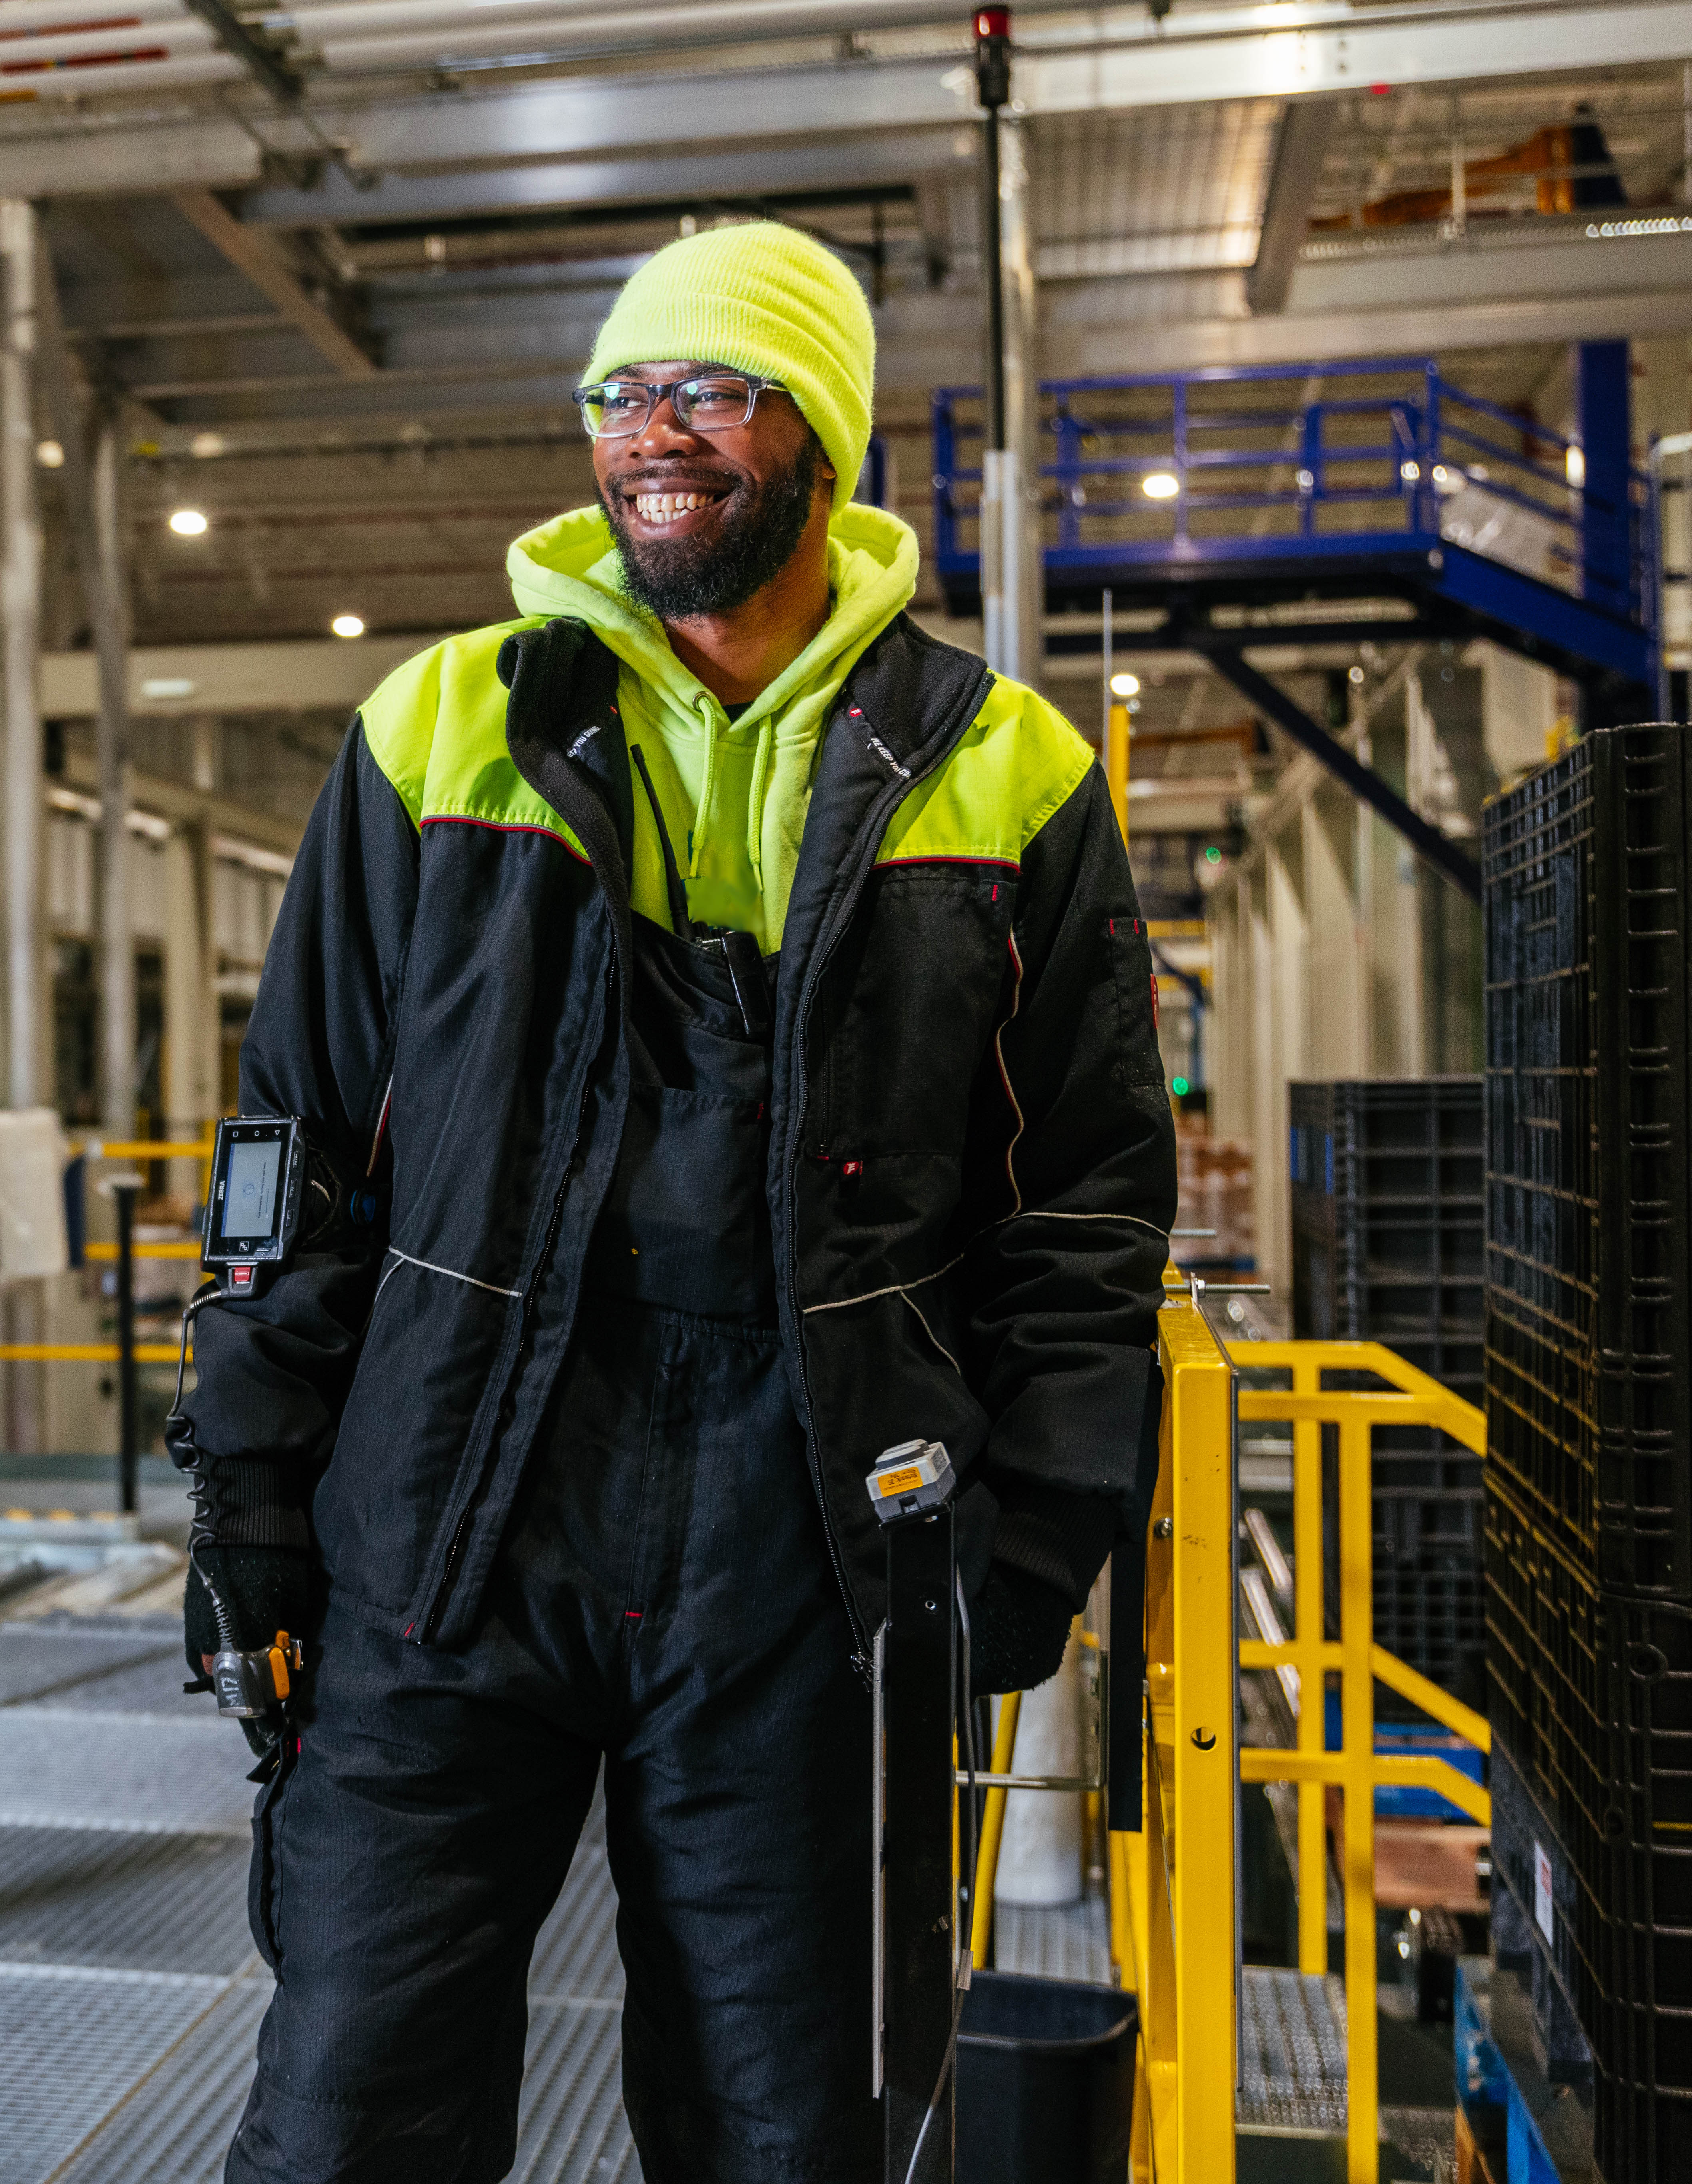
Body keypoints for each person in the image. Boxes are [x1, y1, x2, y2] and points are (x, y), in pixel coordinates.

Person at [168, 221, 1176, 2183]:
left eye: (708, 391)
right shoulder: (437, 728)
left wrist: (1025, 1551)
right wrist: (243, 1484)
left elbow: (1086, 1203)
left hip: (808, 1559)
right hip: (450, 1522)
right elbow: (282, 1142)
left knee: (791, 2126)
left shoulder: (1001, 767)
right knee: (347, 2101)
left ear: (819, 433)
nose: (652, 434)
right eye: (620, 396)